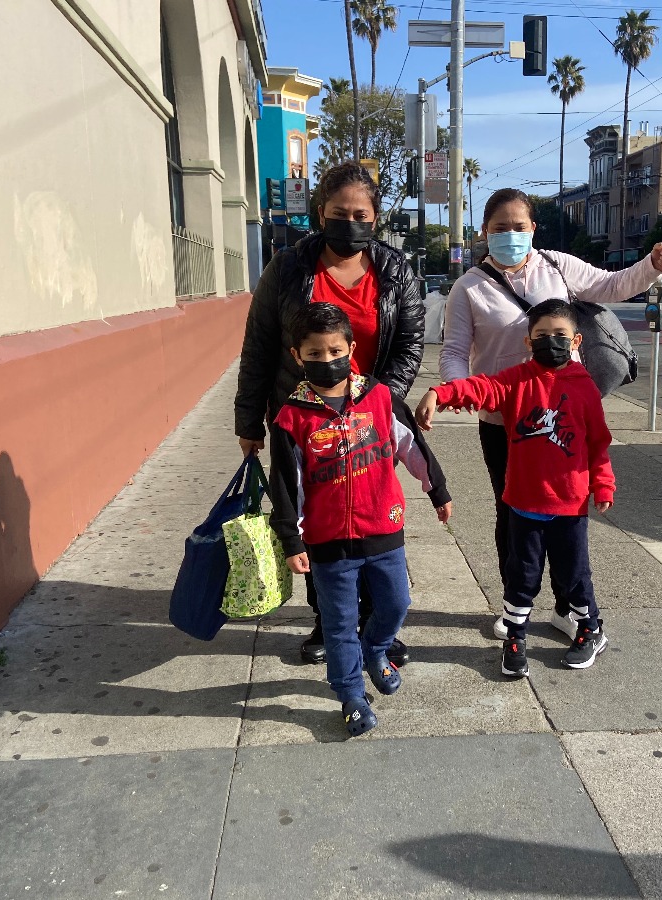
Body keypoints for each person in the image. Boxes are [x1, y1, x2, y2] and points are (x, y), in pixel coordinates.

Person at [439, 187, 662, 640]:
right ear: (484, 232)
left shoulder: (556, 265)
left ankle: (569, 608)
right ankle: (515, 607)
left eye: (519, 227)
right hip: (503, 422)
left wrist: (650, 266)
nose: (510, 235)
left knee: (567, 517)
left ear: (533, 230)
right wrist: (457, 391)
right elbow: (454, 351)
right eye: (500, 228)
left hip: (564, 417)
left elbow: (611, 284)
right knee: (513, 516)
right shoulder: (468, 287)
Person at [235, 161, 425, 666]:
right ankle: (330, 621)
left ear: (376, 217)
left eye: (361, 213)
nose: (350, 222)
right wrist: (248, 420)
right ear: (321, 212)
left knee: (369, 521)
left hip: (366, 421)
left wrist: (377, 404)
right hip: (304, 419)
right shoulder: (288, 268)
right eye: (339, 212)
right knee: (319, 525)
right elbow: (257, 347)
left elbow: (409, 346)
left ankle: (376, 625)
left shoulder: (396, 271)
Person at [270, 303, 452, 736]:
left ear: (351, 348)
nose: (327, 360)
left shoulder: (379, 397)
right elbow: (285, 484)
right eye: (314, 354)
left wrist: (437, 490)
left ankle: (377, 649)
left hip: (383, 529)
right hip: (327, 541)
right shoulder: (290, 417)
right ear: (298, 356)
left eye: (335, 350)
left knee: (396, 604)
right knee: (337, 624)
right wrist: (292, 540)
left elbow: (411, 447)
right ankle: (350, 693)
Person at [417, 298, 614, 676]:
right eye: (541, 335)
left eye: (560, 335)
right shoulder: (516, 380)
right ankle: (515, 636)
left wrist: (603, 485)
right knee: (521, 574)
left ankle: (590, 630)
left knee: (573, 575)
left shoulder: (585, 388)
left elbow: (597, 444)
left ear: (576, 342)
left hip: (570, 507)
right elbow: (480, 387)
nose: (550, 341)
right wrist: (440, 393)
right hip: (523, 503)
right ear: (528, 341)